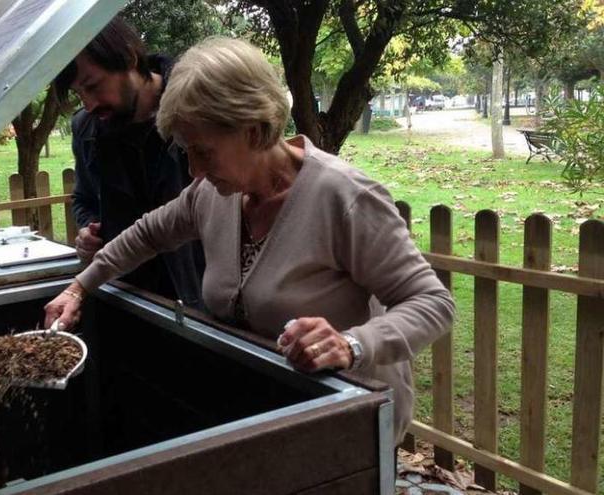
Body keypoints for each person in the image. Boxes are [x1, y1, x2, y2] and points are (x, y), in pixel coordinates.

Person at [45, 37, 454, 443]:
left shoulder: (345, 198)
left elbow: (432, 303)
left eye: (203, 152)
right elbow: (146, 234)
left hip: (349, 421)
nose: (193, 171)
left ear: (255, 130)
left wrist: (352, 344)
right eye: (186, 152)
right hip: (270, 415)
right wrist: (80, 287)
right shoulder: (212, 196)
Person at [53, 17, 204, 308]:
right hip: (125, 298)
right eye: (78, 94)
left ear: (129, 57)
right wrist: (87, 230)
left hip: (199, 307)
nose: (89, 104)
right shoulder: (86, 129)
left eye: (93, 86)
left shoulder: (194, 108)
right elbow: (83, 199)